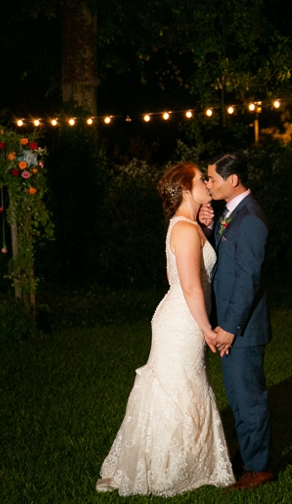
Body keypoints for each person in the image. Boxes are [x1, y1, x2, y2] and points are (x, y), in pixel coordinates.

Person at [95, 162, 235, 497]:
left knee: (186, 383)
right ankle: (167, 467)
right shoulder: (184, 229)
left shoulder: (187, 225)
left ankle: (188, 461)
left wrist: (207, 227)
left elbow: (174, 276)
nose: (207, 183)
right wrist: (207, 328)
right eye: (201, 179)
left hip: (184, 316)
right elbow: (188, 286)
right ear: (186, 188)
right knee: (178, 386)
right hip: (182, 320)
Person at [199, 151, 274, 490]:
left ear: (233, 180)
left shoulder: (251, 219)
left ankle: (260, 469)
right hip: (231, 323)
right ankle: (246, 456)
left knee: (249, 400)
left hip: (242, 328)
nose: (208, 183)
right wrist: (209, 227)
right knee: (239, 399)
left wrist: (229, 327)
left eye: (212, 178)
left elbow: (248, 279)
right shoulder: (232, 213)